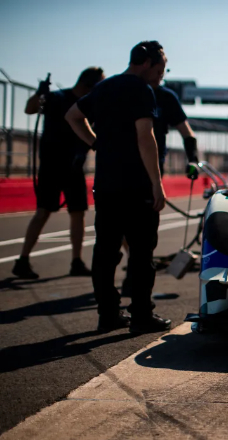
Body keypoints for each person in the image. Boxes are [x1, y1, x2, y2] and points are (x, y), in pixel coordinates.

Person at [65, 41, 172, 333]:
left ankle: (108, 314)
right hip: (136, 185)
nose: (161, 75)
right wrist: (156, 184)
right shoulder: (141, 89)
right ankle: (141, 316)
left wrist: (96, 143)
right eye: (161, 68)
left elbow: (72, 115)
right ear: (147, 63)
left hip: (107, 184)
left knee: (105, 252)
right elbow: (145, 138)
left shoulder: (105, 87)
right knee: (141, 253)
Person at [12, 67, 105, 279]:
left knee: (78, 212)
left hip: (74, 167)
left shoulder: (90, 104)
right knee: (43, 211)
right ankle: (23, 260)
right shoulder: (57, 98)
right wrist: (39, 94)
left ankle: (76, 261)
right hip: (52, 166)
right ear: (87, 84)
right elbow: (30, 109)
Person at [119, 77, 198, 297]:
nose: (160, 75)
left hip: (150, 170)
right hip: (120, 169)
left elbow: (187, 132)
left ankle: (135, 279)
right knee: (121, 227)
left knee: (143, 229)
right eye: (159, 69)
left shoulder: (166, 97)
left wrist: (192, 159)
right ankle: (131, 276)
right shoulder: (120, 90)